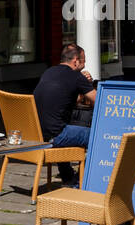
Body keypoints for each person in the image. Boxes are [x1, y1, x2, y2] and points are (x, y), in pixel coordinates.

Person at [33, 43, 97, 183]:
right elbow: (98, 101)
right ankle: (82, 180)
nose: (85, 64)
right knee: (97, 138)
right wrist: (87, 84)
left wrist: (82, 87)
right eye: (84, 61)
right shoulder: (76, 76)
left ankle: (68, 176)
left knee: (64, 125)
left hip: (37, 135)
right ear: (75, 60)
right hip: (55, 136)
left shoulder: (49, 72)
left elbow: (67, 101)